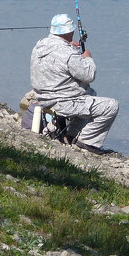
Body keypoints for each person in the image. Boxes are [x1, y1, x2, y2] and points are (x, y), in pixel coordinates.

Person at [30, 13, 119, 155]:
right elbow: (89, 75)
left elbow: (58, 56)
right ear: (68, 31)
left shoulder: (40, 45)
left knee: (89, 93)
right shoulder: (68, 54)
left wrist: (68, 47)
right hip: (62, 102)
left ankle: (70, 135)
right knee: (111, 106)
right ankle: (87, 142)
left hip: (42, 97)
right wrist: (87, 58)